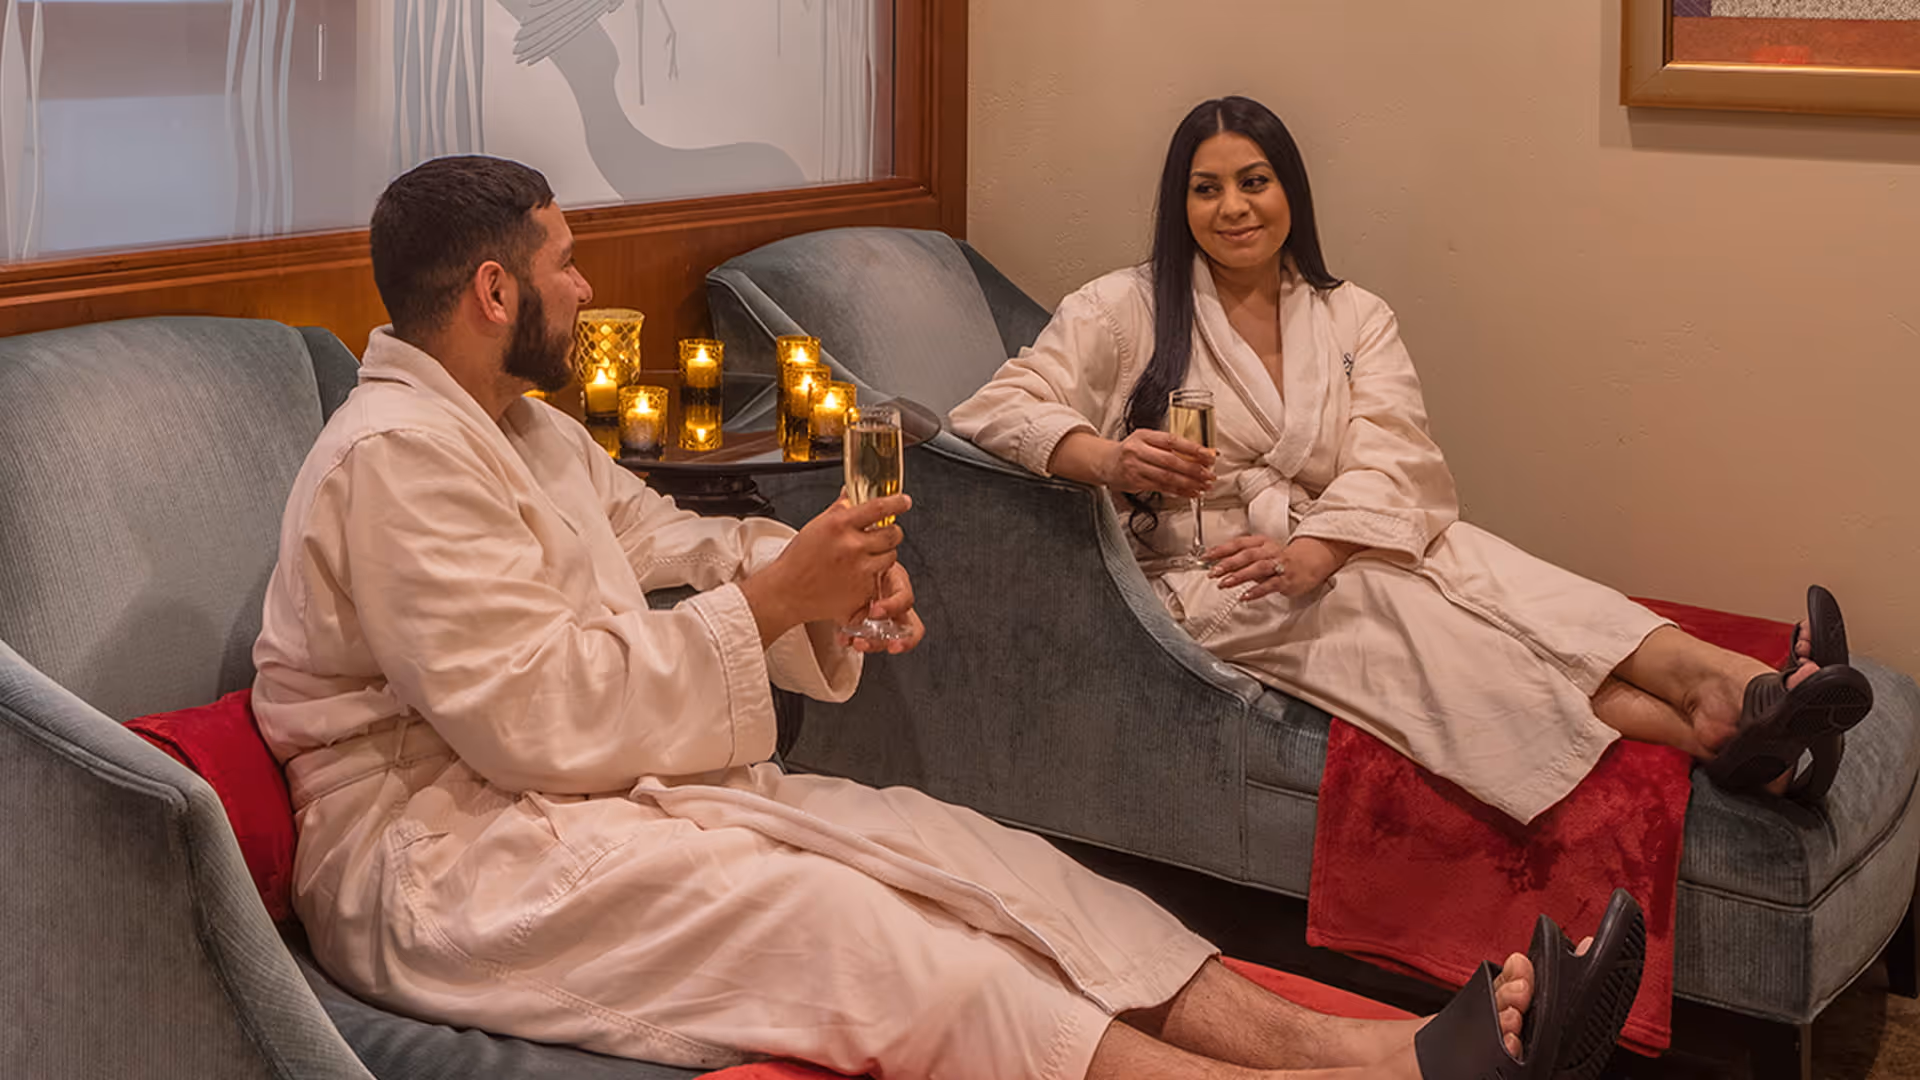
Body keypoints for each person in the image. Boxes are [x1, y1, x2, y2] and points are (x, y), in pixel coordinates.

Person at [251, 154, 1638, 1080]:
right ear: (493, 291)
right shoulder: (398, 461)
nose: (582, 287)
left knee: (991, 863)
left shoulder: (526, 435)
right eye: (562, 266)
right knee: (870, 931)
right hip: (446, 857)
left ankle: (1386, 1052)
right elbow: (534, 717)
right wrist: (769, 602)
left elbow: (671, 540)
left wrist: (819, 569)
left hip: (592, 793)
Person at [949, 96, 1874, 824]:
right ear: (1178, 204)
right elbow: (995, 409)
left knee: (1496, 572)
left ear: (1292, 193)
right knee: (1427, 628)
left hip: (1327, 548)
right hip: (1210, 579)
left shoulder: (1354, 315)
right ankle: (1716, 728)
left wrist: (1320, 549)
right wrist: (1109, 458)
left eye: (1255, 180)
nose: (1232, 207)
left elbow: (1395, 450)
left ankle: (1729, 683)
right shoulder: (1125, 308)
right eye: (1206, 187)